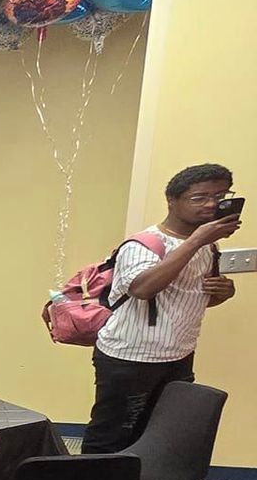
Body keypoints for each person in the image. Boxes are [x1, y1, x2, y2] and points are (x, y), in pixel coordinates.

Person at [85, 162, 241, 453]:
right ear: (172, 200)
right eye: (200, 197)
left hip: (179, 355)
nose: (212, 204)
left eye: (221, 196)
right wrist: (197, 239)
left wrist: (223, 292)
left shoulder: (208, 247)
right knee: (112, 437)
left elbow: (190, 296)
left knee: (159, 436)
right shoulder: (144, 244)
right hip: (130, 358)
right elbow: (143, 289)